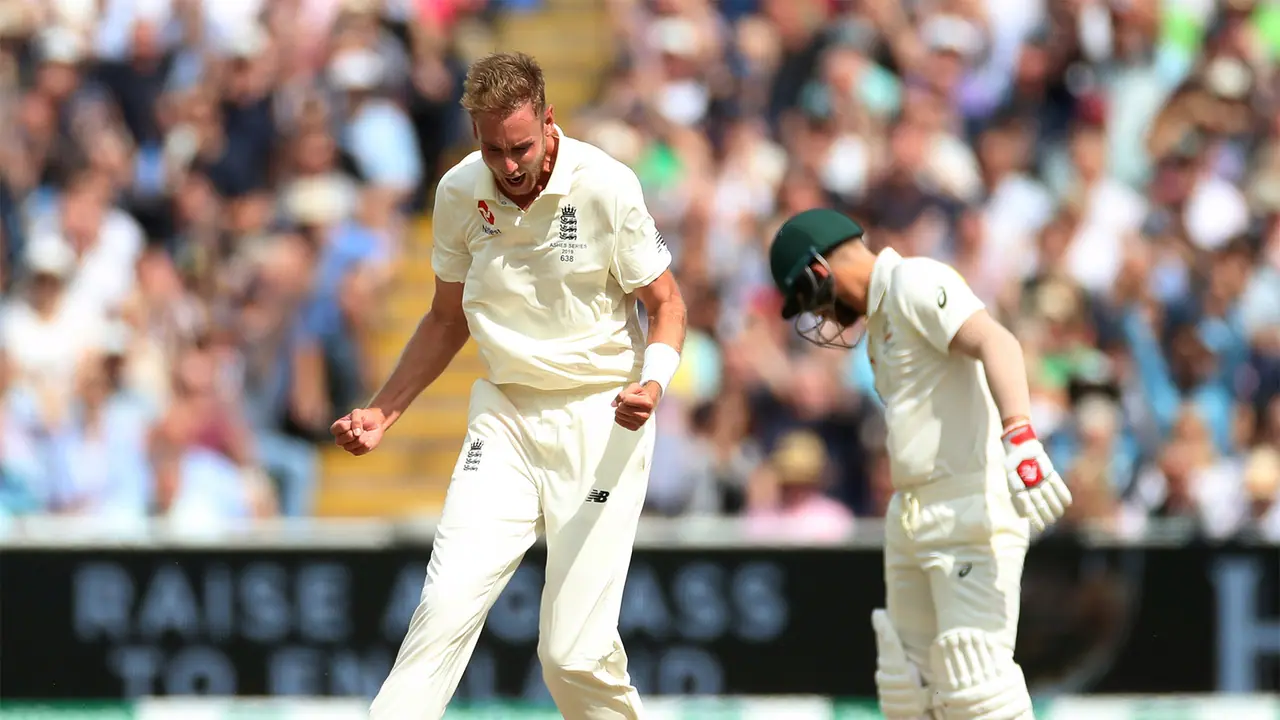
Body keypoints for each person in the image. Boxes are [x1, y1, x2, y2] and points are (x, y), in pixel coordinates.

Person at [329, 52, 687, 720]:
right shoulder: (461, 191)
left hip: (604, 415)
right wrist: (384, 412)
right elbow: (444, 319)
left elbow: (667, 305)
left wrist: (653, 383)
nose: (509, 165)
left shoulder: (605, 185)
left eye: (520, 146)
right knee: (444, 606)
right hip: (506, 418)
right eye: (492, 149)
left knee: (573, 654)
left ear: (549, 122)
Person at [766, 208, 1073, 719]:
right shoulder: (881, 321)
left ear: (821, 271)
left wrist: (1020, 437)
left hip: (967, 510)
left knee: (976, 687)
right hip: (912, 515)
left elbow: (998, 342)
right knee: (908, 690)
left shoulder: (914, 281)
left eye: (810, 298)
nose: (818, 315)